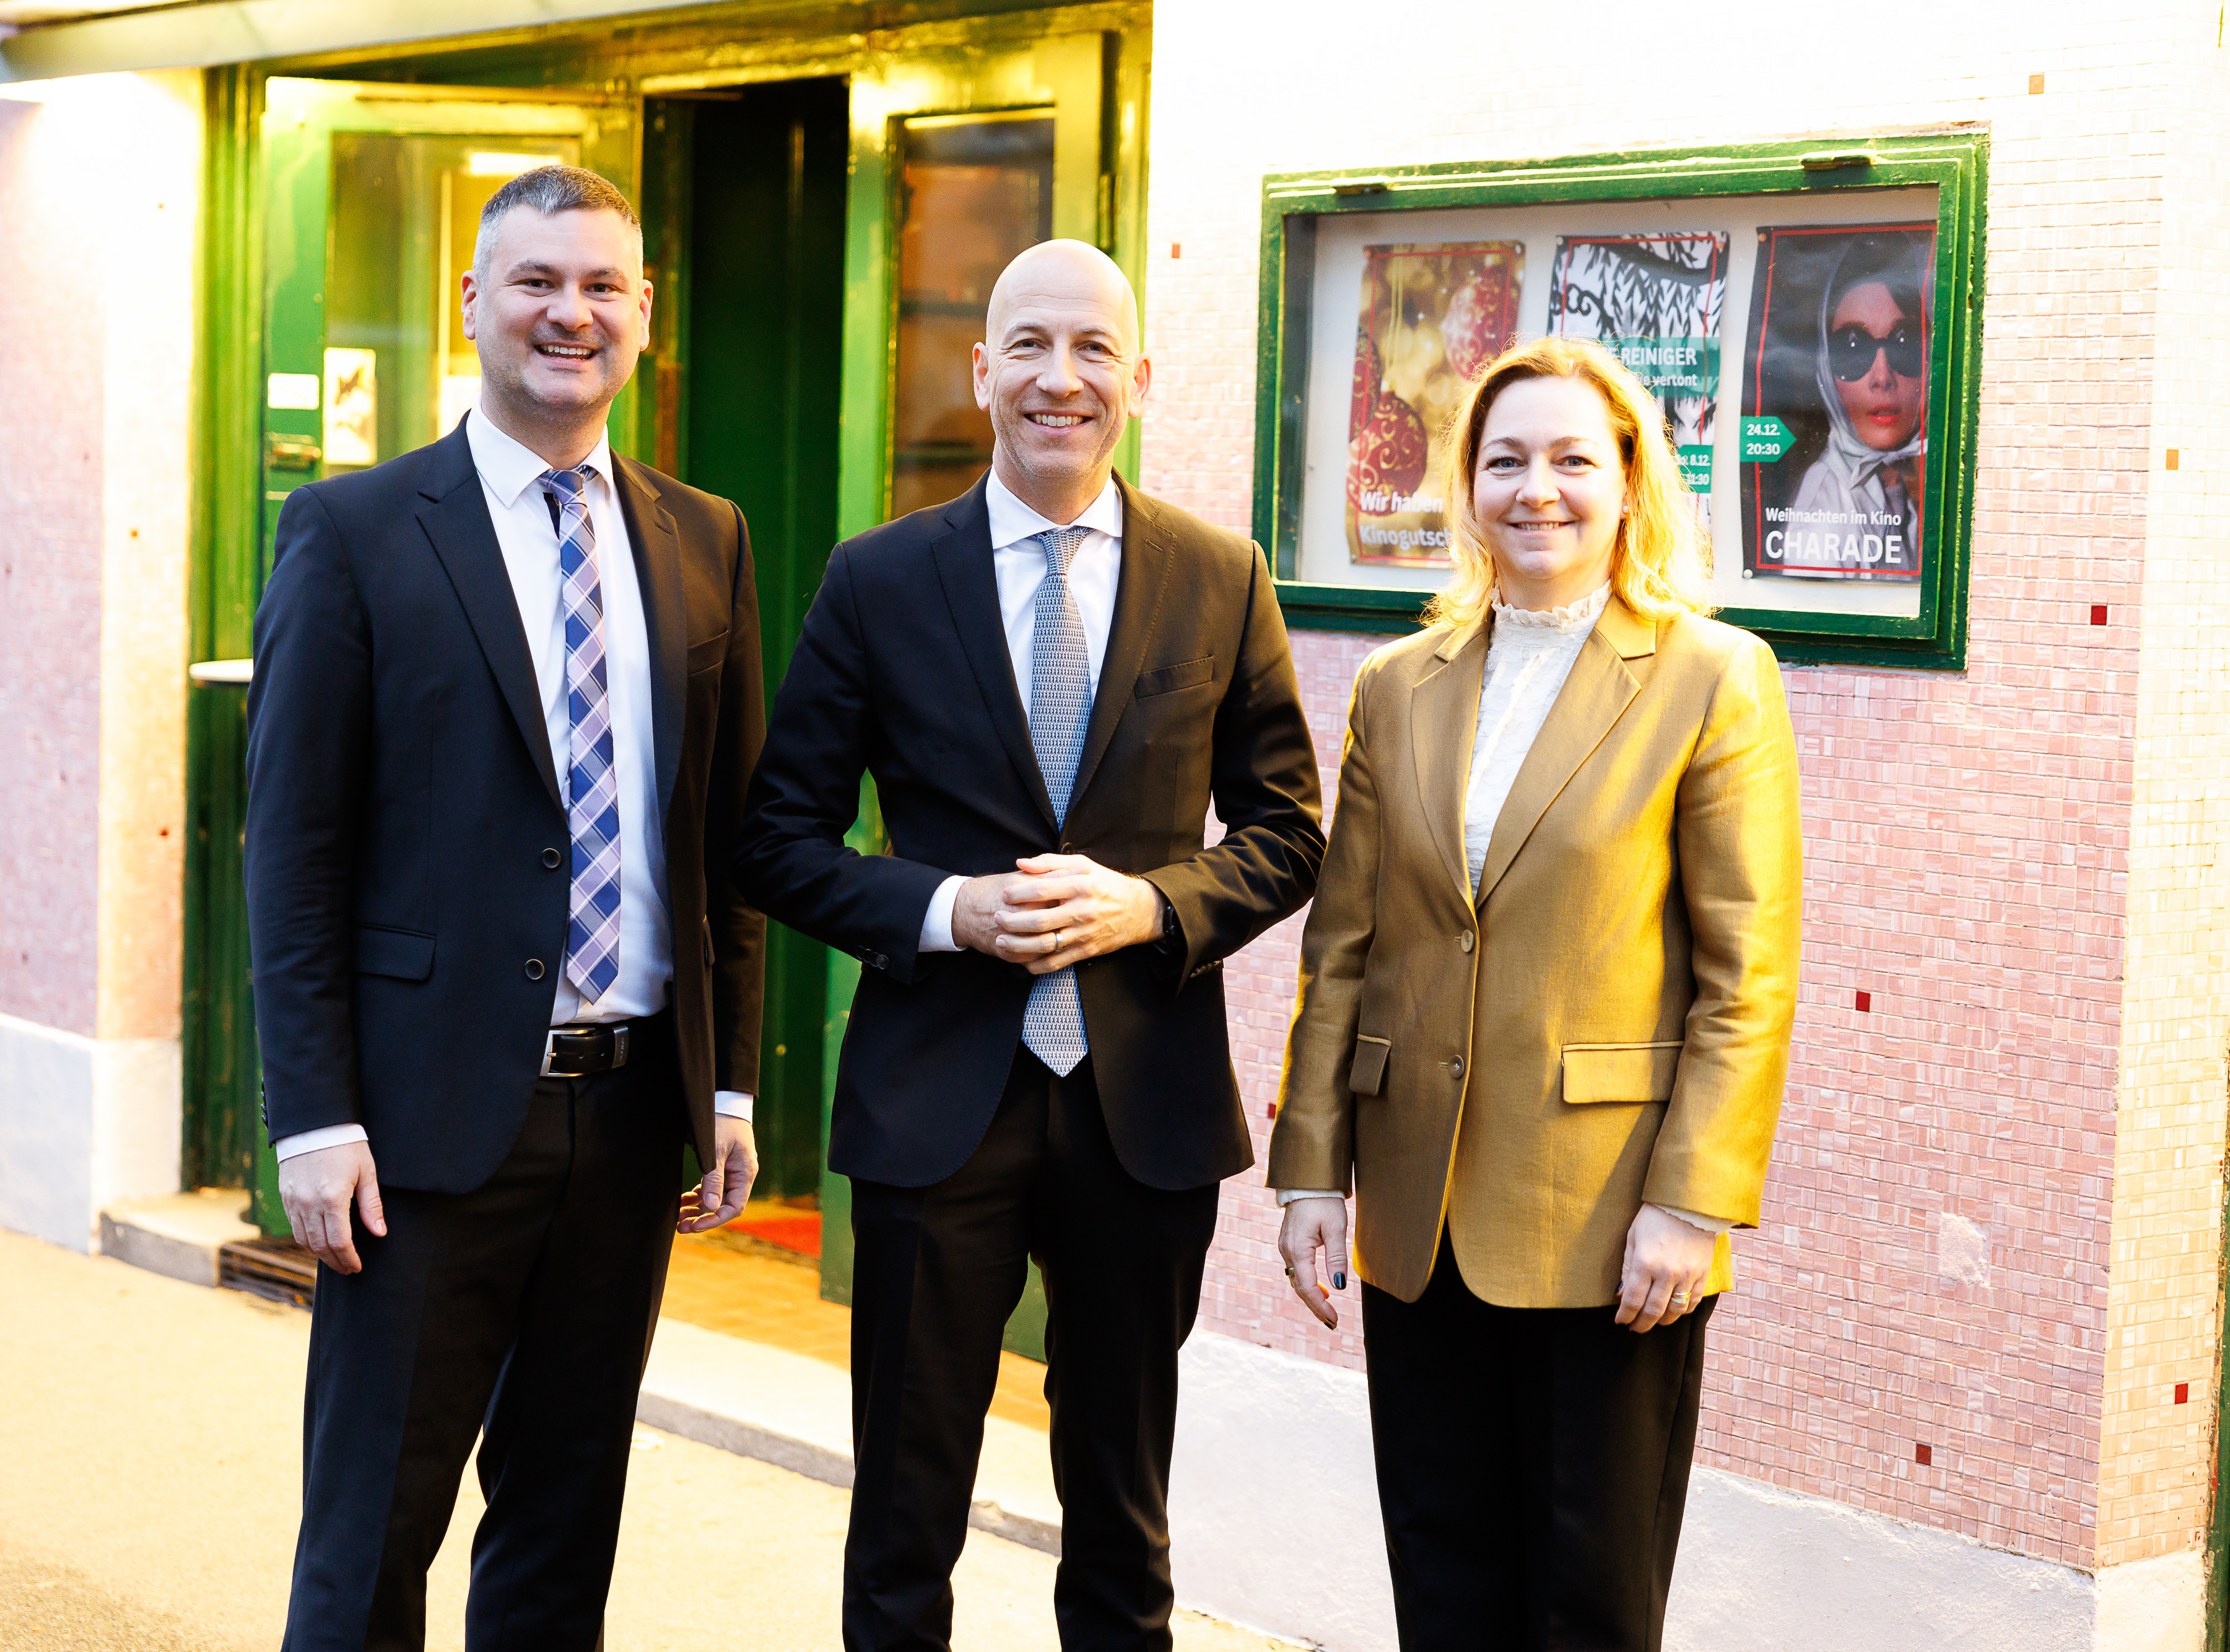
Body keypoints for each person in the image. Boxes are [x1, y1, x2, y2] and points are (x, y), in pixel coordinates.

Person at [733, 239, 1325, 1651]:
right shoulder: (876, 580)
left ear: (1136, 375)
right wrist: (941, 909)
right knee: (903, 1518)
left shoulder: (1219, 575)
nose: (1060, 378)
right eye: (1028, 346)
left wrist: (1154, 905)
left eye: (1091, 349)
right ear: (979, 368)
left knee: (1122, 1520)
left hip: (1145, 1117)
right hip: (934, 1106)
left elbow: (1291, 831)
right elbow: (775, 841)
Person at [246, 165, 767, 1652]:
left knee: (560, 1529)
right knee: (369, 1541)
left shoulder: (703, 535)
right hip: (416, 1130)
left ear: (644, 316)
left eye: (601, 285)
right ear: (470, 302)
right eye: (536, 281)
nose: (570, 313)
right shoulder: (352, 531)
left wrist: (723, 1079)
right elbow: (293, 849)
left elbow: (718, 843)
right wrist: (313, 1116)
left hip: (625, 1125)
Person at [1271, 336, 1802, 1650]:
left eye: (1572, 457)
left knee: (1587, 1598)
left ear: (1628, 479)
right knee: (1442, 1583)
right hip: (1416, 1211)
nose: (1536, 488)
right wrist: (1306, 1172)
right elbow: (1343, 945)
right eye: (1503, 459)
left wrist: (1692, 1200)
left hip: (1611, 1219)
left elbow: (1747, 972)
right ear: (1465, 486)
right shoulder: (1397, 686)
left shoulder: (1708, 675)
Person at [1783, 232, 1929, 578]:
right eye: (1853, 347)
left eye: (1904, 342)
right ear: (1826, 370)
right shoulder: (1824, 504)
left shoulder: (1922, 482)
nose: (1882, 376)